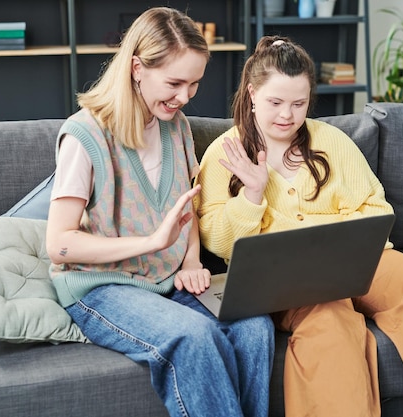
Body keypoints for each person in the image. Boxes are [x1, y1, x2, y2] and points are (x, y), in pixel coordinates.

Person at [194, 35, 403, 417]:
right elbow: (220, 242)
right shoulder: (223, 153)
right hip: (285, 277)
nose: (287, 116)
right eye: (275, 103)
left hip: (360, 260)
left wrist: (340, 241)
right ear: (253, 93)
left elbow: (374, 207)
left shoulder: (332, 141)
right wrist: (252, 196)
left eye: (299, 104)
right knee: (332, 326)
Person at [45, 7, 274, 417]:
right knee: (195, 336)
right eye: (174, 83)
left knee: (255, 326)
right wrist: (152, 242)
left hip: (167, 278)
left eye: (194, 84)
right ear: (137, 68)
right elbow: (59, 245)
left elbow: (186, 205)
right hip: (102, 286)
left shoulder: (176, 126)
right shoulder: (85, 136)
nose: (184, 96)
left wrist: (189, 259)